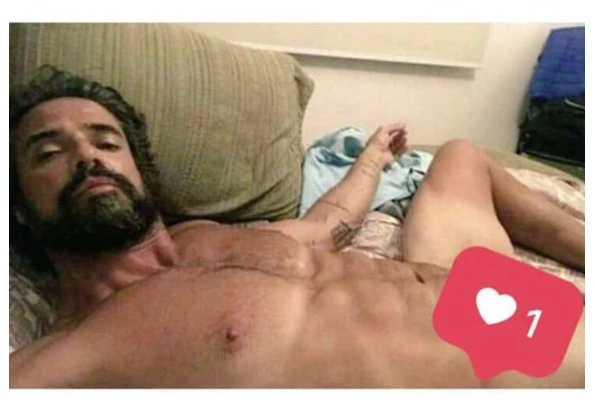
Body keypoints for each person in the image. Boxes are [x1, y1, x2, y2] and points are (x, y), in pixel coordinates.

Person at [9, 65, 585, 388]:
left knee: (460, 155)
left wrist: (373, 159)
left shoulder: (210, 237)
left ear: (137, 167)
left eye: (106, 142)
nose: (87, 156)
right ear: (17, 207)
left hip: (472, 292)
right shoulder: (77, 350)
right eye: (48, 152)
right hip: (494, 367)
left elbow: (329, 224)